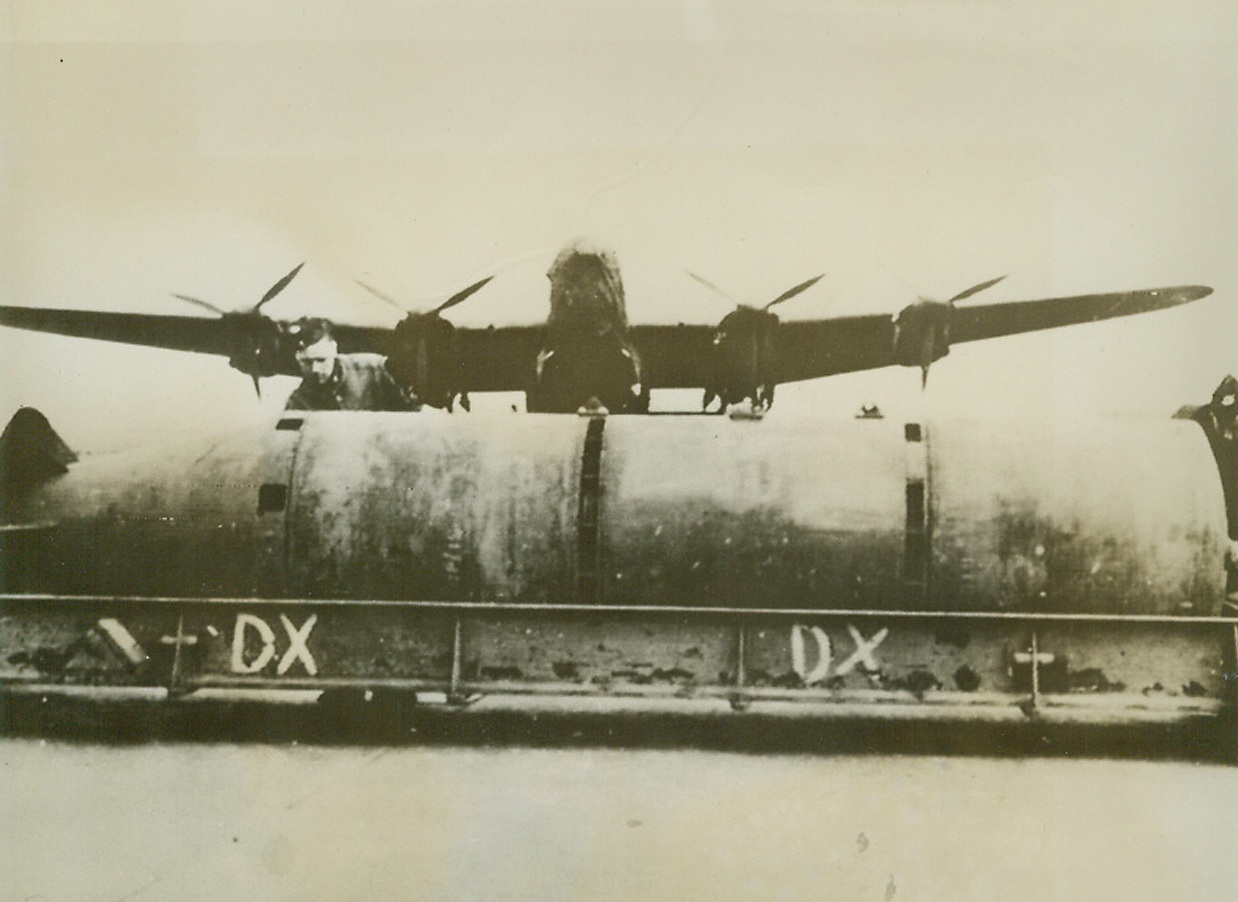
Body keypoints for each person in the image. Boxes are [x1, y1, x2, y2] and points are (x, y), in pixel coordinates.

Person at [284, 318, 418, 411]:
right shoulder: (298, 401)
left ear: (334, 349)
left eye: (321, 360)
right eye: (306, 362)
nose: (315, 370)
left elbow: (414, 411)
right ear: (297, 359)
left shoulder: (374, 369)